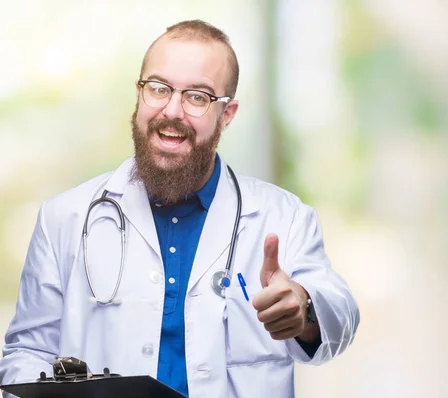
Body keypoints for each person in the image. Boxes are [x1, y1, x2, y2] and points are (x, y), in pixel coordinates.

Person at [0, 19, 359, 398]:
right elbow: (27, 355)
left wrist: (304, 307)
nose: (172, 111)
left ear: (228, 114)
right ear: (139, 94)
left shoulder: (283, 216)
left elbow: (341, 312)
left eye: (197, 96)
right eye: (158, 88)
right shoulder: (64, 219)